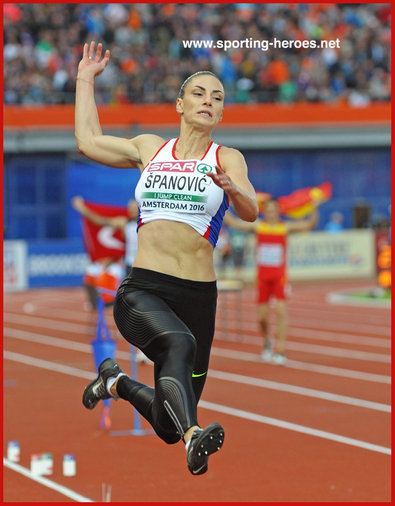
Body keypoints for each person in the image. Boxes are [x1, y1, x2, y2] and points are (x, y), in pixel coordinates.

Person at [76, 41, 258, 475]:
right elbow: (87, 142)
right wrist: (85, 81)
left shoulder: (226, 158)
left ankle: (114, 381)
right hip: (143, 291)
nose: (208, 102)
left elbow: (251, 210)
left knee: (166, 422)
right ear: (180, 104)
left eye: (217, 98)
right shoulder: (149, 149)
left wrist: (235, 191)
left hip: (199, 298)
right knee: (180, 347)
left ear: (221, 114)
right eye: (199, 93)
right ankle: (196, 438)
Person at [225, 198, 318, 365]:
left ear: (278, 211)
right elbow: (232, 222)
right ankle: (267, 339)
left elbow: (309, 224)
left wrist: (314, 207)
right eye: (268, 209)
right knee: (262, 317)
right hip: (262, 278)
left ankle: (280, 350)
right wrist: (224, 201)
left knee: (281, 312)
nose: (271, 212)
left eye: (274, 209)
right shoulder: (258, 226)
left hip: (279, 277)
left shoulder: (285, 227)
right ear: (264, 211)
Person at [72, 196, 151, 363]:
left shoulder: (149, 223)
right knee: (136, 310)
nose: (129, 210)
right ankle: (140, 350)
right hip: (131, 269)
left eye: (133, 207)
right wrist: (82, 208)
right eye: (128, 207)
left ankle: (150, 348)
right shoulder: (124, 224)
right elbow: (100, 221)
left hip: (149, 268)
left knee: (150, 309)